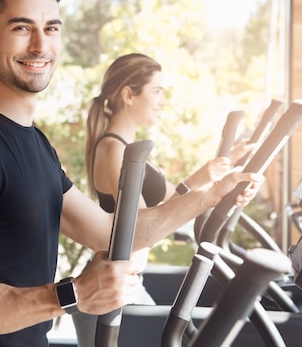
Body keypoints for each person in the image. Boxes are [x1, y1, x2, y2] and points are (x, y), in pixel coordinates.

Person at [0, 0, 263, 347]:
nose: (40, 45)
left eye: (51, 29)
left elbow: (109, 233)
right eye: (21, 28)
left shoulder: (35, 144)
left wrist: (211, 196)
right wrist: (73, 293)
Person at [72, 53, 255, 346]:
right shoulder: (113, 151)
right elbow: (145, 228)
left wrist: (212, 171)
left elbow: (170, 198)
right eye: (157, 91)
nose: (163, 101)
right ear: (129, 95)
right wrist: (210, 194)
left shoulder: (129, 148)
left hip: (127, 286)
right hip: (110, 294)